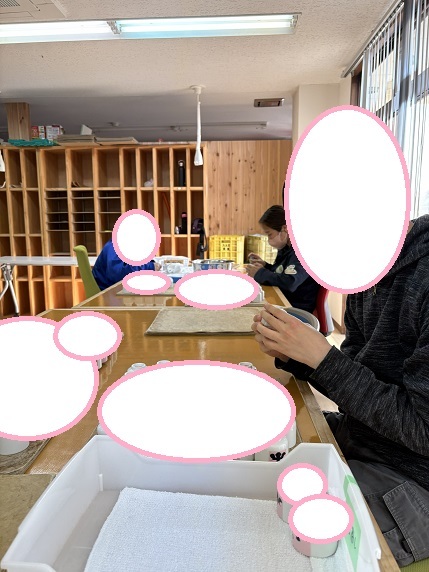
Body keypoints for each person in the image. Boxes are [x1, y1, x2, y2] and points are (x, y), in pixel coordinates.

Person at [251, 215, 429, 567]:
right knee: (253, 449)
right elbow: (355, 379)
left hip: (412, 479)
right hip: (362, 437)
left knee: (266, 528)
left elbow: (423, 431)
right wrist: (301, 357)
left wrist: (323, 358)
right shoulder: (366, 272)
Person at [246, 205, 319, 313]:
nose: (269, 239)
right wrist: (265, 266)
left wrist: (260, 273)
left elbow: (290, 282)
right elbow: (281, 272)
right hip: (286, 299)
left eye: (270, 234)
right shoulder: (286, 248)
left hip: (296, 307)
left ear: (285, 228)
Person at [92, 239, 160, 290]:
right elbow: (117, 274)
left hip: (118, 290)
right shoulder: (113, 246)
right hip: (106, 293)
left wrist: (151, 263)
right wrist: (150, 267)